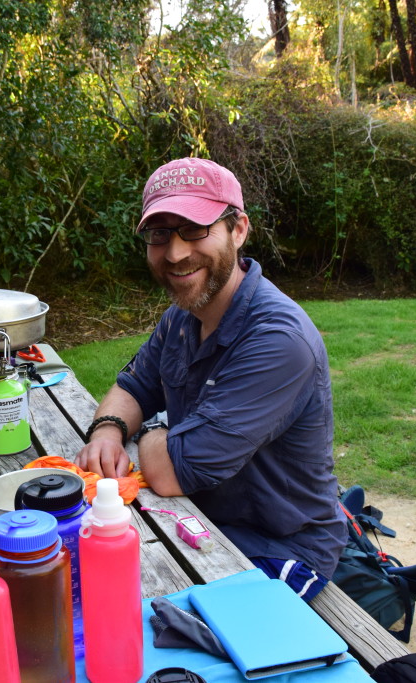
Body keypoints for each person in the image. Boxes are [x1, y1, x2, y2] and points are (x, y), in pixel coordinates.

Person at [74, 157, 345, 601]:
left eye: (195, 229)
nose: (176, 252)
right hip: (195, 517)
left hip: (278, 550)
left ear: (238, 230)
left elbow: (168, 470)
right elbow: (133, 386)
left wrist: (152, 429)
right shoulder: (181, 317)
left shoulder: (279, 341)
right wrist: (108, 431)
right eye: (161, 233)